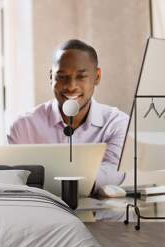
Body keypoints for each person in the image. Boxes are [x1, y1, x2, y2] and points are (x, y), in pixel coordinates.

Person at [7, 39, 129, 193]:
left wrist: (46, 178)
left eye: (81, 76)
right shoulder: (23, 126)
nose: (71, 86)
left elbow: (114, 172)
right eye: (62, 76)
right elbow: (14, 180)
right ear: (51, 77)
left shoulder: (117, 123)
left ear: (97, 76)